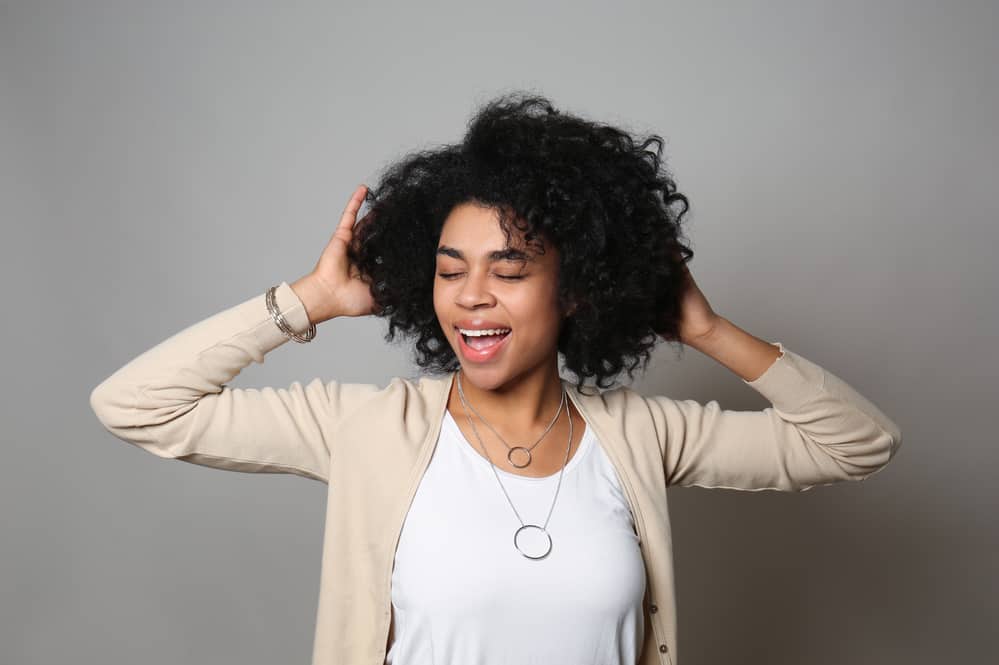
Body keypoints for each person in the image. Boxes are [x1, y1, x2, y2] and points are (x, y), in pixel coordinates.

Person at [89, 92, 902, 665]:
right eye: (450, 271)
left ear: (576, 284)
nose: (472, 295)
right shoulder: (366, 429)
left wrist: (705, 329)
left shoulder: (642, 436)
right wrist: (310, 301)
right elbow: (136, 405)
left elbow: (857, 443)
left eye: (507, 269)